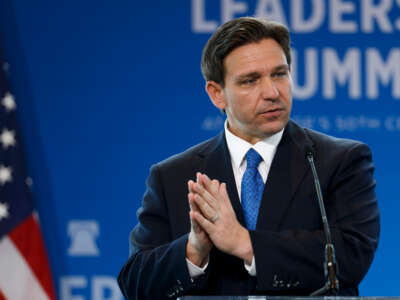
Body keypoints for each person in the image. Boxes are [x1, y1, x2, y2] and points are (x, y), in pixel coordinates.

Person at [118, 17, 380, 299]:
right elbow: (135, 283)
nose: (272, 92)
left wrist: (245, 243)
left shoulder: (337, 161)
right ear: (217, 94)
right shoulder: (174, 176)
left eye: (280, 74)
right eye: (250, 80)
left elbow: (352, 256)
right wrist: (193, 249)